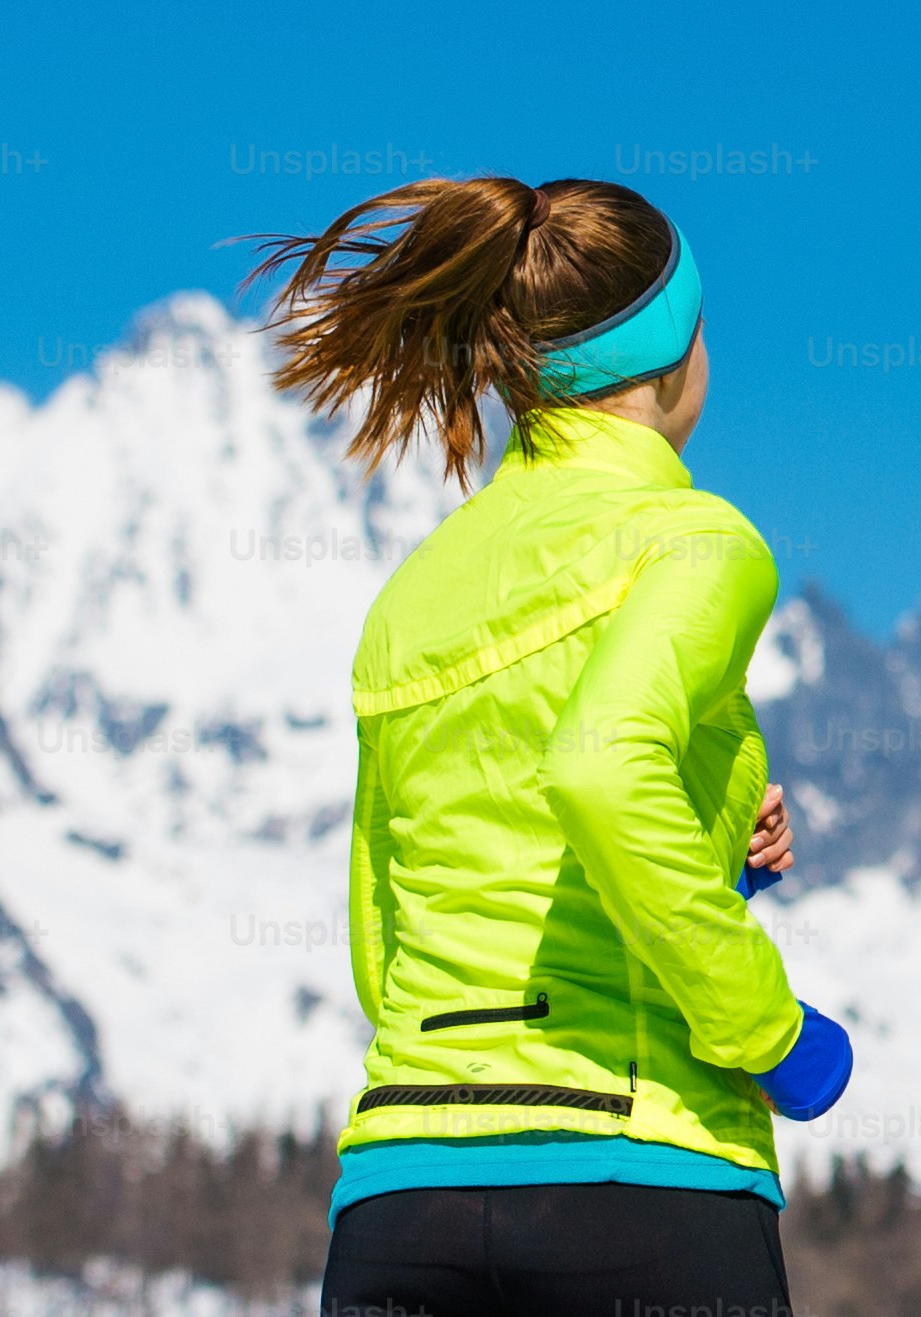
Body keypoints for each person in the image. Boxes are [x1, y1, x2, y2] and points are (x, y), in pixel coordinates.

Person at [257, 176, 853, 1317]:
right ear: (676, 356)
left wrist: (715, 835)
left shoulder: (412, 593)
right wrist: (771, 1033)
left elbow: (391, 925)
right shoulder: (695, 541)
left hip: (400, 1194)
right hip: (636, 1171)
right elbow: (597, 767)